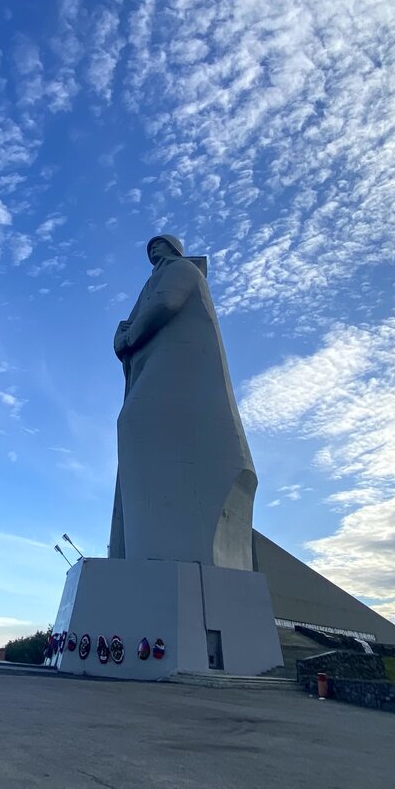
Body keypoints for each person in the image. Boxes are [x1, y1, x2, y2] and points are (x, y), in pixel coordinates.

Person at [109, 234, 257, 570]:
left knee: (136, 421)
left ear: (175, 250)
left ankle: (162, 542)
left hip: (177, 373)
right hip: (161, 367)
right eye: (149, 248)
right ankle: (141, 545)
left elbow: (165, 303)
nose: (153, 250)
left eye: (159, 245)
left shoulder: (182, 271)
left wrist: (128, 337)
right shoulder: (156, 279)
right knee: (134, 426)